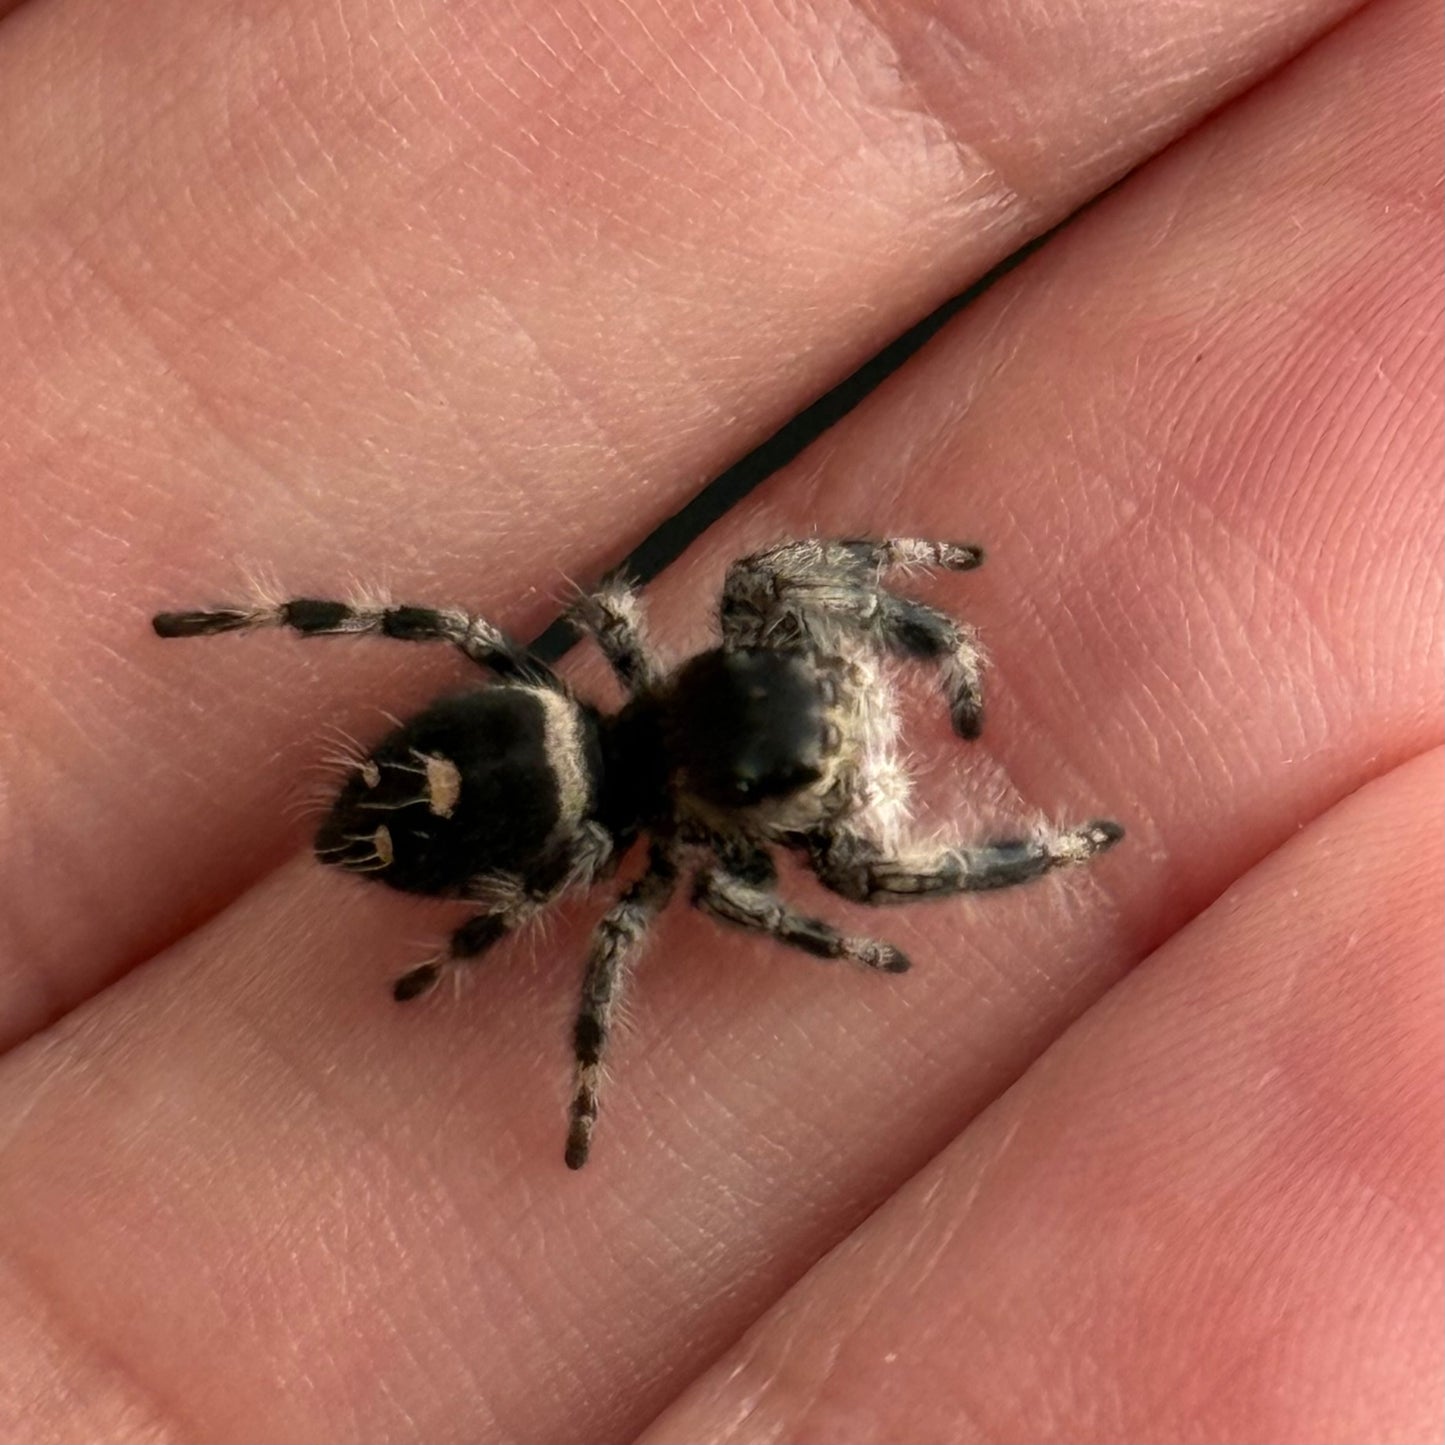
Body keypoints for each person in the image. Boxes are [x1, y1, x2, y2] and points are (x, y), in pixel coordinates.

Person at [0, 0, 1437, 1438]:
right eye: (810, 767)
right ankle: (264, 641)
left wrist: (932, 618)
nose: (840, 731)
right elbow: (692, 923)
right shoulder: (669, 843)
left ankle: (266, 645)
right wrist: (832, 927)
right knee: (563, 808)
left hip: (538, 754)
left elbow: (731, 618)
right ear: (739, 788)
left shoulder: (650, 654)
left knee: (472, 647)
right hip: (535, 792)